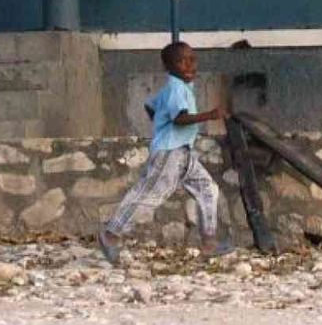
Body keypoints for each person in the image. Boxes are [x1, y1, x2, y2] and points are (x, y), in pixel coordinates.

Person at [98, 41, 233, 264]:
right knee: (149, 195)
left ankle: (209, 242)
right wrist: (210, 115)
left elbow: (150, 106)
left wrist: (159, 121)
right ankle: (110, 235)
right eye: (182, 61)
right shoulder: (176, 88)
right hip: (170, 153)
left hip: (183, 153)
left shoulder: (177, 88)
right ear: (168, 66)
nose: (189, 65)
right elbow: (179, 119)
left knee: (208, 189)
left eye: (192, 60)